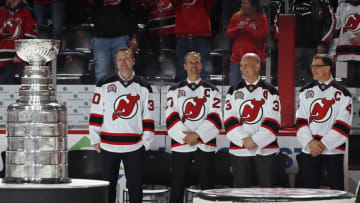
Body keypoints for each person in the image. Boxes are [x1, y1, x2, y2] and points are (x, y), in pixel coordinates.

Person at [89, 48, 155, 203]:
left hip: (134, 147)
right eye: (120, 59)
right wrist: (95, 138)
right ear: (115, 62)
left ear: (133, 61)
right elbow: (96, 113)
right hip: (108, 145)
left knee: (135, 188)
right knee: (108, 189)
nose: (123, 62)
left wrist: (145, 143)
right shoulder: (104, 84)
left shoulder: (144, 87)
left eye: (126, 58)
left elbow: (148, 118)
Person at [165, 51, 222, 203]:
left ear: (202, 65)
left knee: (207, 189)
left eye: (197, 62)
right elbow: (171, 117)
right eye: (190, 62)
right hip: (181, 146)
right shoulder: (174, 90)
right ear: (185, 66)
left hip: (204, 146)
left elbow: (215, 118)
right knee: (177, 187)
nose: (194, 66)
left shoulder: (212, 90)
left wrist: (197, 136)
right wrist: (186, 137)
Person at [296, 54, 352, 190]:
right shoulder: (305, 91)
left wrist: (322, 144)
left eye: (317, 66)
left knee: (336, 190)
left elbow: (343, 125)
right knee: (309, 191)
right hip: (310, 149)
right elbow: (300, 121)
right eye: (312, 66)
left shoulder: (343, 92)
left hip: (332, 150)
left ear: (327, 68)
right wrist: (310, 143)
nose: (313, 69)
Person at [224, 53, 281, 187]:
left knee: (267, 193)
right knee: (240, 194)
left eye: (246, 65)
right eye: (241, 65)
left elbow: (273, 121)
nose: (243, 68)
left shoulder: (271, 90)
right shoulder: (233, 91)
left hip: (266, 150)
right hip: (239, 150)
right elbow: (229, 120)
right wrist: (245, 141)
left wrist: (255, 141)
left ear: (257, 66)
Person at [92, 0, 138, 82]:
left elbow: (130, 13)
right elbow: (92, 10)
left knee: (124, 73)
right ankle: (103, 94)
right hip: (101, 38)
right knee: (102, 75)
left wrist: (133, 36)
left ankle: (123, 95)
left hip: (121, 37)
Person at [226, 0, 268, 86]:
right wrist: (237, 29)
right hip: (237, 60)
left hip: (253, 61)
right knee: (234, 88)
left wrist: (247, 29)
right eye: (242, 3)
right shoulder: (237, 16)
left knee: (253, 88)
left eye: (245, 3)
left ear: (252, 6)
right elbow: (229, 34)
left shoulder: (261, 18)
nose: (242, 5)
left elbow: (262, 37)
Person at [293, 0, 335, 86]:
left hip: (315, 48)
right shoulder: (290, 3)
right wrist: (285, 42)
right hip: (294, 47)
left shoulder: (322, 3)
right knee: (294, 80)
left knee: (315, 79)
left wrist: (323, 41)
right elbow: (279, 20)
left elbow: (331, 22)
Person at [170, 0, 214, 81]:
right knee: (183, 69)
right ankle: (183, 92)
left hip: (200, 35)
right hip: (183, 35)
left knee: (203, 69)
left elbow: (210, 5)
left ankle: (204, 92)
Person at [0, 0, 38, 84]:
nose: (10, 2)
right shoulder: (1, 12)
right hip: (3, 56)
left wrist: (20, 55)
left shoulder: (27, 12)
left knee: (25, 84)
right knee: (6, 87)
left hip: (23, 56)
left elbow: (31, 36)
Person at [329, 0, 360, 86]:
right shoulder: (341, 7)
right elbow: (336, 31)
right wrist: (332, 53)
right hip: (341, 58)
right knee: (341, 86)